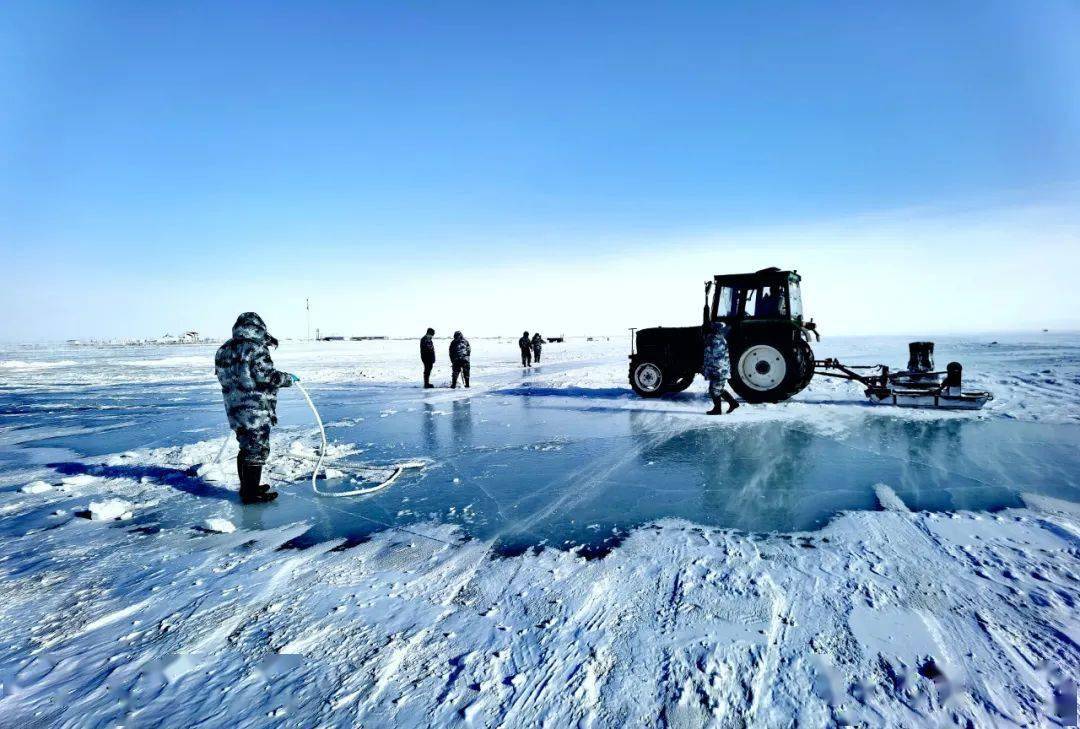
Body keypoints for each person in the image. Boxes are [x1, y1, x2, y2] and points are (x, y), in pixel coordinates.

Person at [215, 312, 296, 503]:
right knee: (256, 449)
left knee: (246, 447)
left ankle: (248, 488)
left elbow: (222, 377)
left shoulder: (223, 349)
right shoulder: (255, 347)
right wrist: (287, 378)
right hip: (255, 409)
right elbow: (266, 376)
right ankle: (251, 494)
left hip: (234, 408)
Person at [703, 320, 739, 415]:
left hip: (719, 370)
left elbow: (715, 357)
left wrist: (712, 371)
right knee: (718, 389)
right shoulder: (718, 338)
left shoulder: (716, 340)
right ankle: (733, 403)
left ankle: (717, 409)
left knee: (714, 389)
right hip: (719, 369)